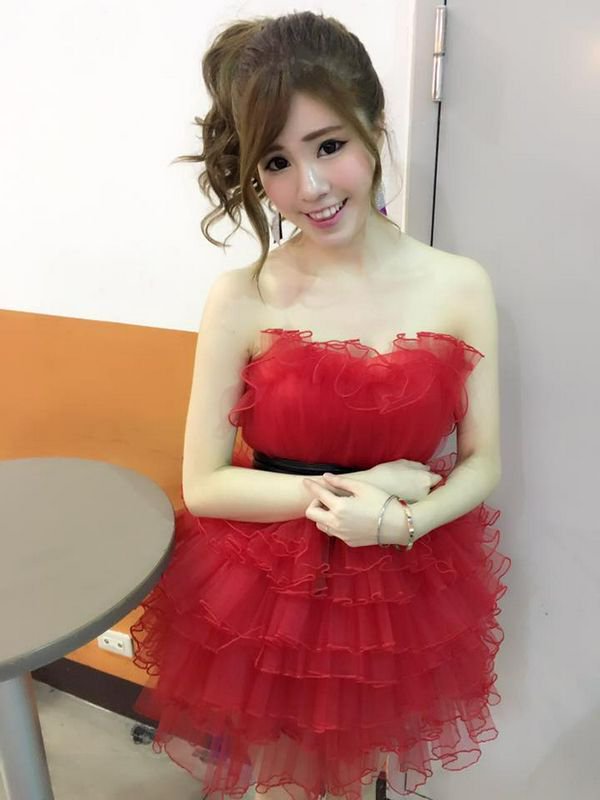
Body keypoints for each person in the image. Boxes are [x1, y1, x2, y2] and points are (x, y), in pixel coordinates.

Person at [130, 10, 511, 800]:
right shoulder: (242, 295)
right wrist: (363, 492)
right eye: (277, 161)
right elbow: (204, 483)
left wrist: (401, 522)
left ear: (375, 125)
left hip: (404, 579)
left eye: (329, 146)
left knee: (361, 772)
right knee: (277, 777)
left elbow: (484, 463)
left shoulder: (460, 285)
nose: (309, 188)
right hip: (266, 588)